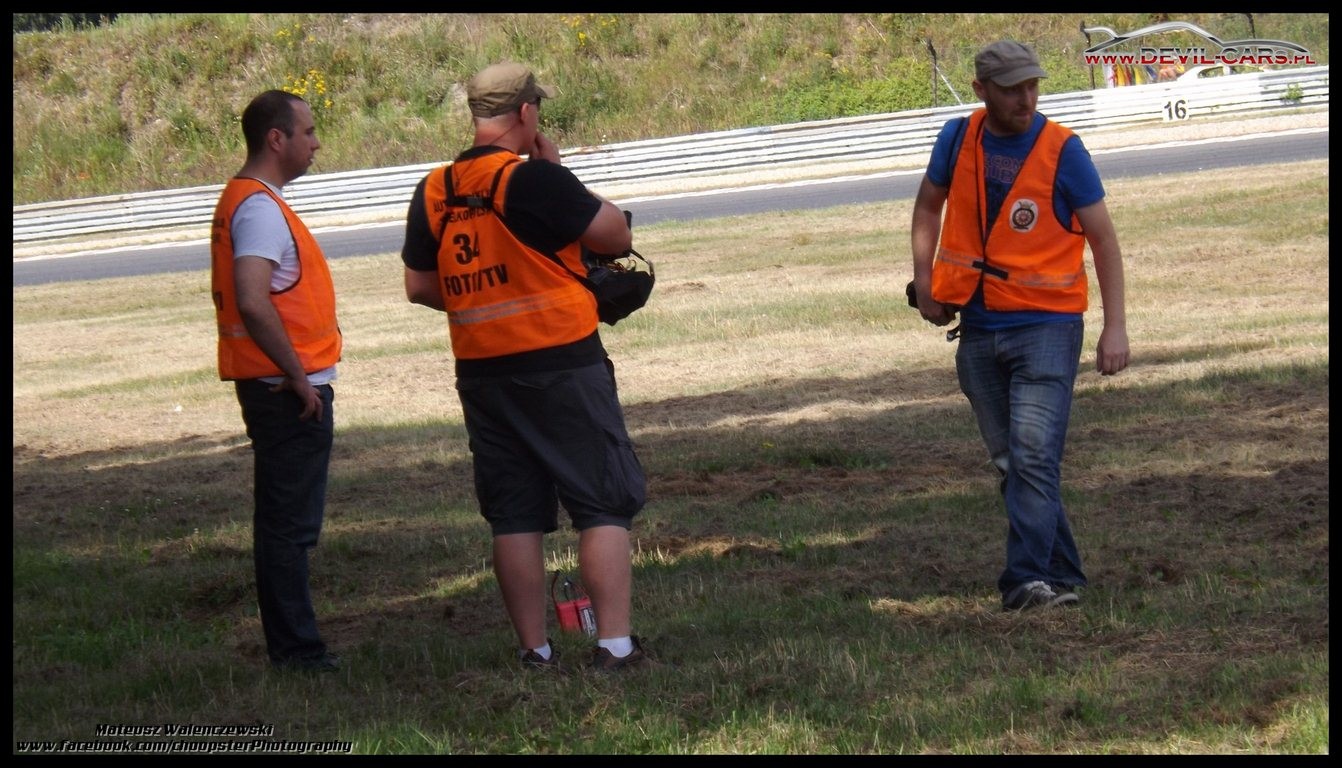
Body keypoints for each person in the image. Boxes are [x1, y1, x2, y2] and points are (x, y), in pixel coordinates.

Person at [400, 62, 652, 671]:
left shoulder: (435, 188)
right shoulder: (533, 179)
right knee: (601, 501)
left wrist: (486, 299)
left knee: (513, 513)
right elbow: (614, 236)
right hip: (561, 361)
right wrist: (560, 172)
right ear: (526, 112)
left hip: (481, 371)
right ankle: (614, 645)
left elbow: (420, 285)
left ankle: (534, 650)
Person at [910, 41, 1130, 611]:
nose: (1026, 99)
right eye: (1011, 89)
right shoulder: (957, 139)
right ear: (981, 90)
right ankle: (1064, 574)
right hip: (979, 329)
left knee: (1033, 457)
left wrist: (1115, 327)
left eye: (1032, 86)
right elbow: (927, 206)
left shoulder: (1064, 150)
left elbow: (1104, 240)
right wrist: (925, 282)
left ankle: (1023, 582)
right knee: (1013, 462)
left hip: (1048, 330)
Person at [210, 90, 343, 671]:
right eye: (307, 132)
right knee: (288, 528)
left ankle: (294, 645)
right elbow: (253, 299)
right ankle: (297, 651)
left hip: (278, 384)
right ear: (276, 138)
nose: (316, 143)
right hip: (285, 391)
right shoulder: (261, 208)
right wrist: (299, 377)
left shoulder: (251, 200)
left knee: (284, 524)